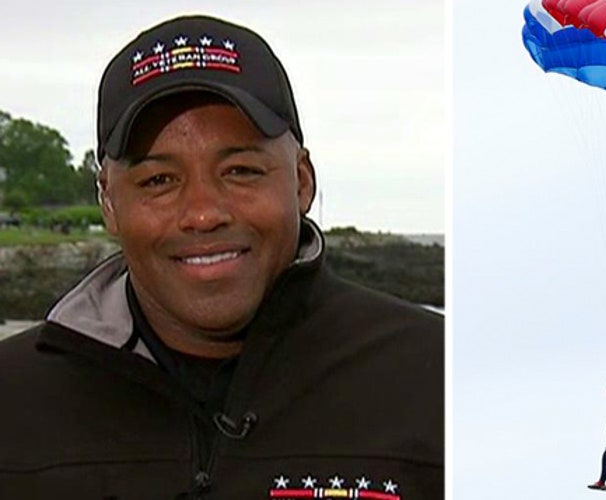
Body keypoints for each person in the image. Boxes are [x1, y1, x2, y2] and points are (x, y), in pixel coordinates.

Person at [0, 15, 443, 499]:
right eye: (158, 181)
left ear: (301, 181)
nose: (204, 214)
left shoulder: (439, 379)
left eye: (241, 171)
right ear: (108, 201)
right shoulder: (13, 399)